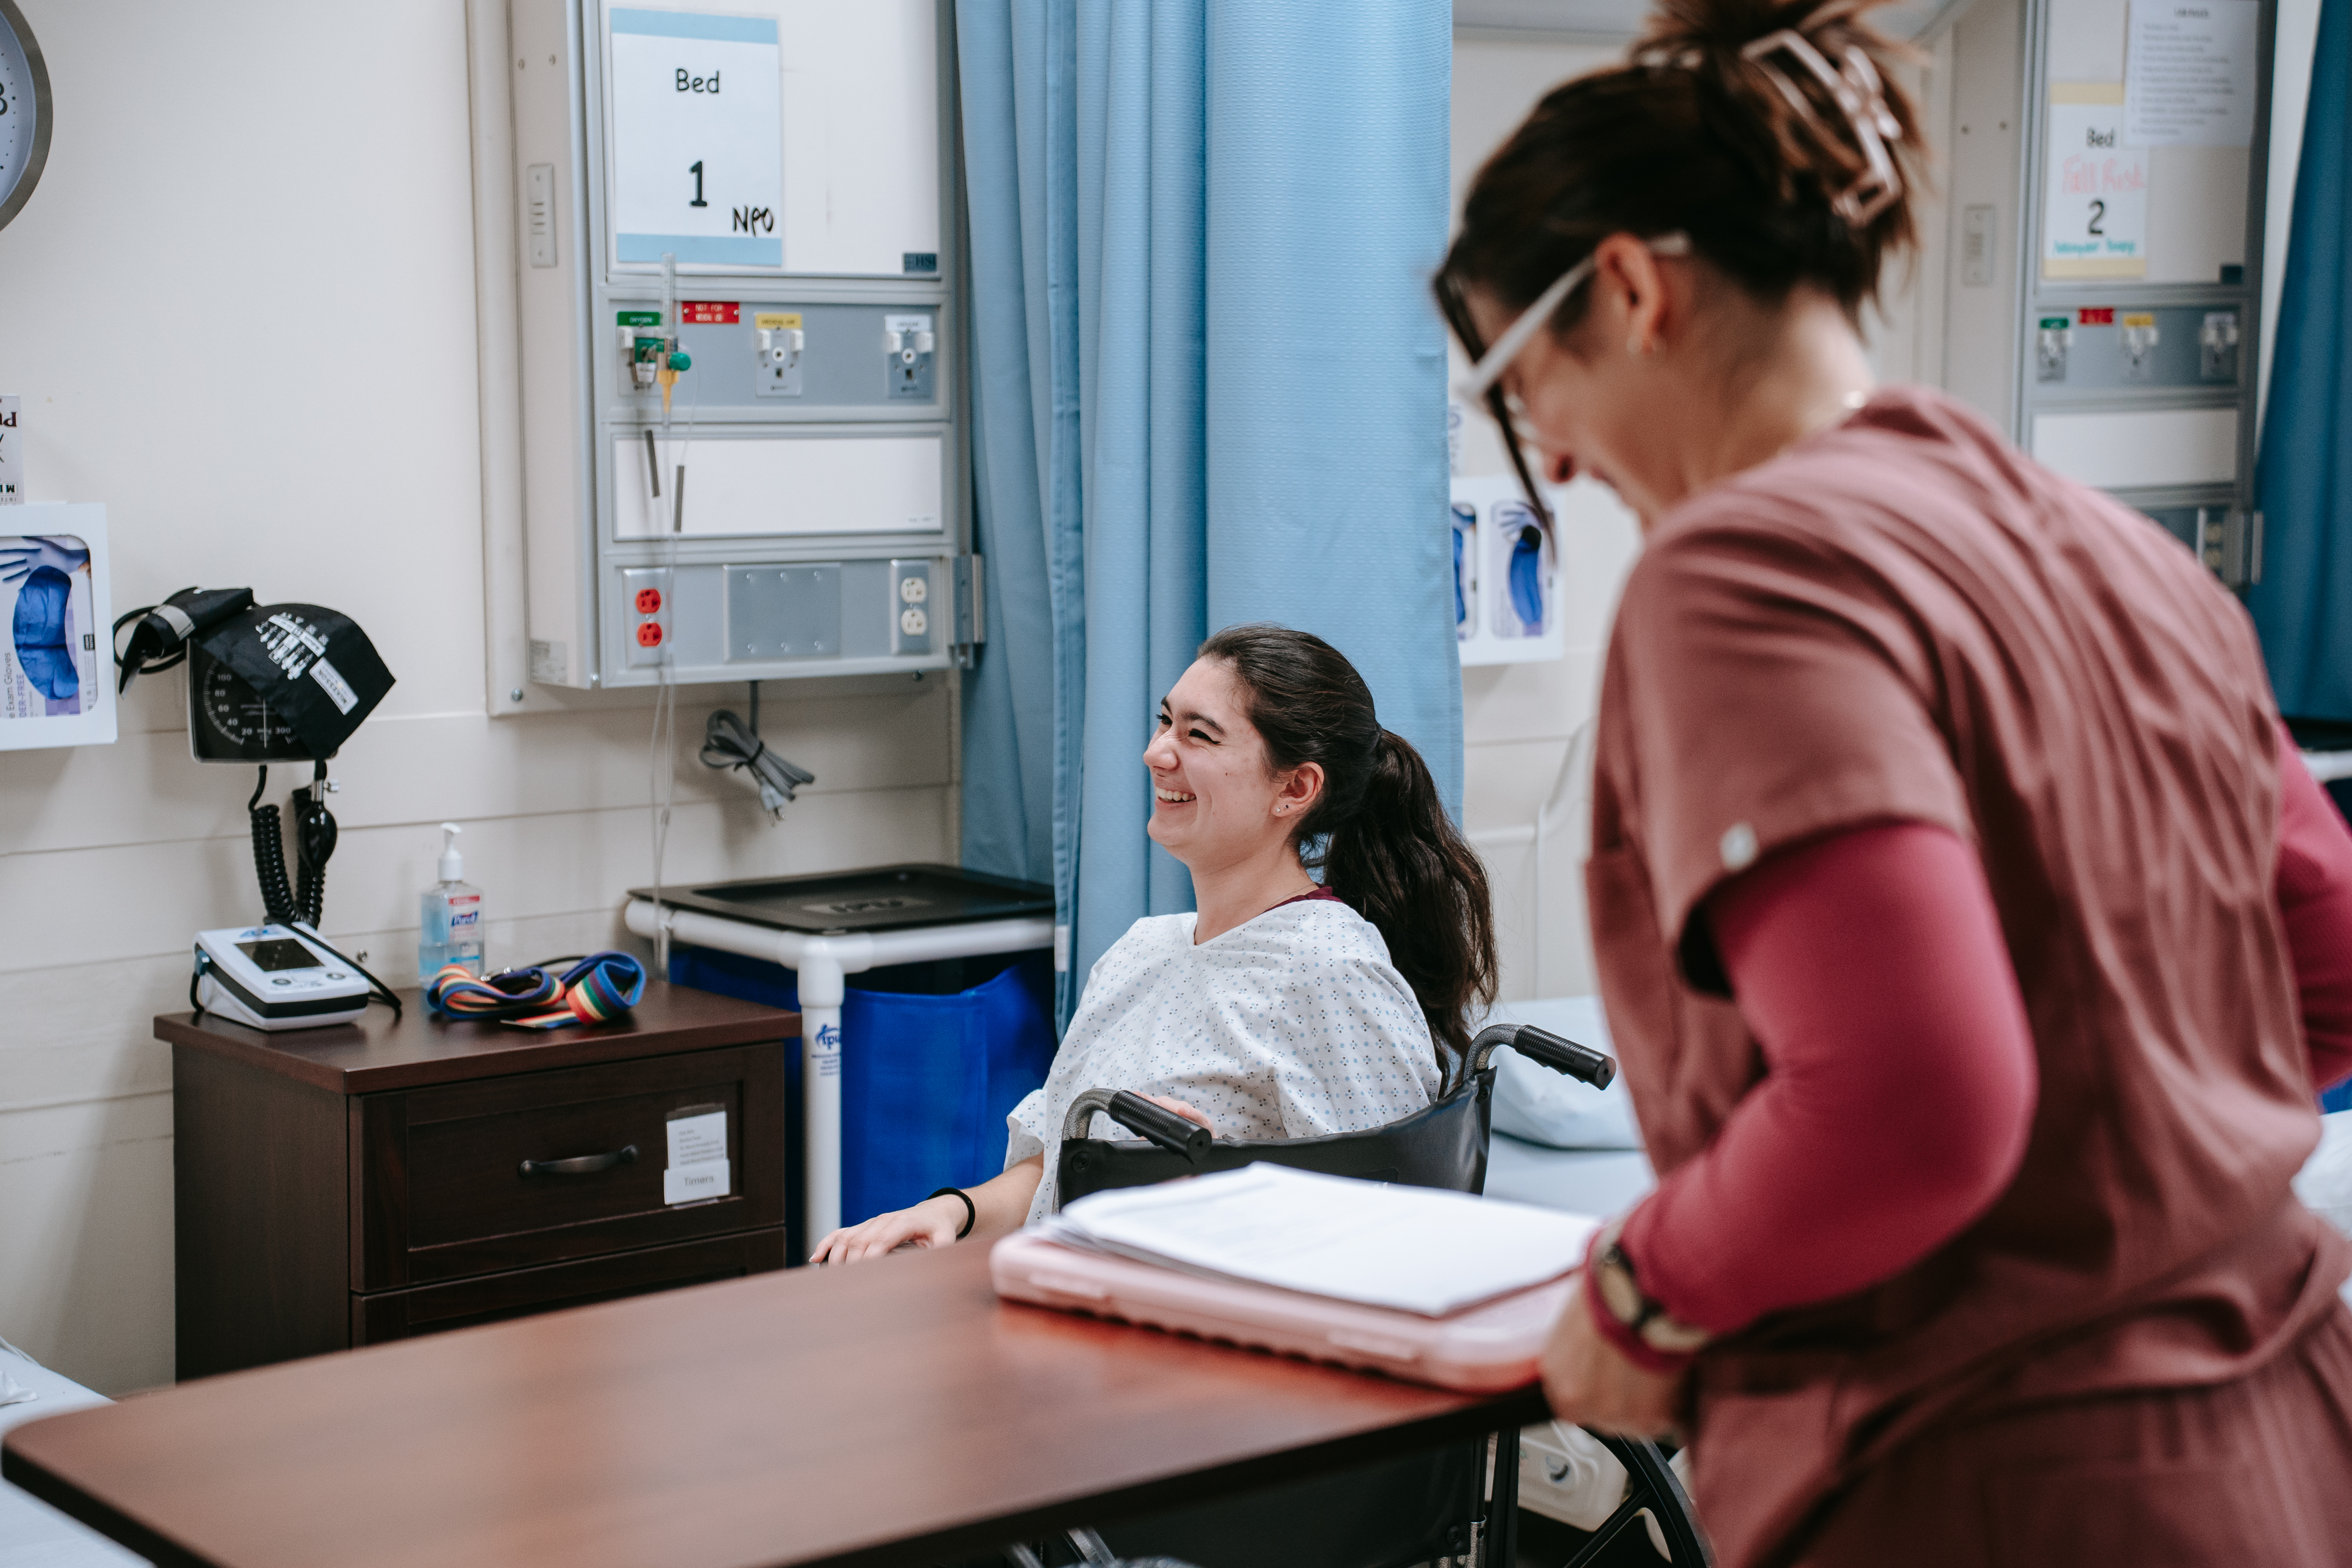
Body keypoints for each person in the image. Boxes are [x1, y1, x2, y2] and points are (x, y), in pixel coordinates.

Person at [1435, 0, 2352, 1563]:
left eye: (1526, 402)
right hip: (2276, 1439)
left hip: (1994, 1484)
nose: (1560, 467)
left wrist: (1642, 1293)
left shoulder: (1742, 568)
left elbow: (1914, 1098)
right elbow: (2323, 968)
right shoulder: (2114, 550)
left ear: (1635, 291)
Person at [812, 623, 1496, 1260]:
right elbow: (1062, 1166)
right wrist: (954, 1213)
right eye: (1166, 721)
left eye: (1199, 735)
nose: (1155, 753)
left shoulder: (1328, 970)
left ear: (1295, 787)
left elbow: (1395, 1224)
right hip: (1085, 1302)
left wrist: (1197, 1197)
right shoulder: (1143, 951)